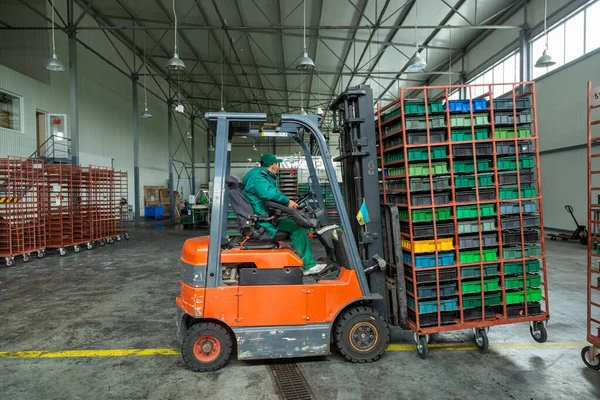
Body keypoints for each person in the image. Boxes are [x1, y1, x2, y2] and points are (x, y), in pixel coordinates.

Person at [242, 153, 327, 276]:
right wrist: (286, 202)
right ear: (273, 165)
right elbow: (269, 194)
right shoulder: (258, 178)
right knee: (298, 226)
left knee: (294, 222)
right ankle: (308, 265)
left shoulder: (260, 176)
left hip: (265, 216)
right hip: (264, 222)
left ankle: (303, 260)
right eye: (277, 163)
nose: (278, 166)